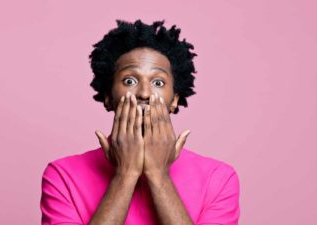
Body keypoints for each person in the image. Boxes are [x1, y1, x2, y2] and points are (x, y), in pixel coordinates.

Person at [40, 19, 240, 225]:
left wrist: (158, 175)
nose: (144, 93)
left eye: (158, 82)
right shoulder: (62, 175)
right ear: (108, 97)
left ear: (175, 100)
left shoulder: (219, 179)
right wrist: (125, 174)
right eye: (129, 81)